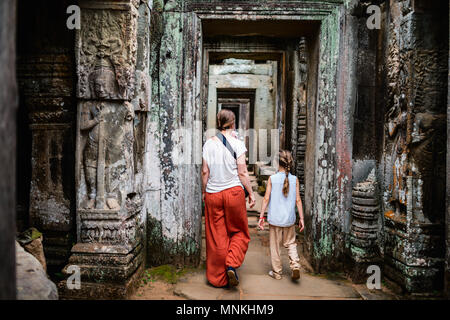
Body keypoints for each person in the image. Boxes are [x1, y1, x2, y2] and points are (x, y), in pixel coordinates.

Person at [202, 109, 256, 288]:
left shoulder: (208, 144)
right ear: (233, 124)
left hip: (213, 194)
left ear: (218, 123)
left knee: (217, 237)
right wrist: (251, 192)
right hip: (233, 192)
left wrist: (205, 191)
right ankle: (231, 264)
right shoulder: (237, 144)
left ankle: (218, 279)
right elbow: (242, 172)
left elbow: (205, 172)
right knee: (240, 231)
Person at [258, 150, 305, 280]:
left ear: (277, 163)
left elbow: (266, 198)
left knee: (275, 247)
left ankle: (277, 273)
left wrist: (261, 216)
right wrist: (301, 218)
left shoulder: (272, 179)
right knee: (291, 243)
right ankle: (295, 264)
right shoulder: (294, 179)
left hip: (275, 219)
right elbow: (298, 200)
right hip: (289, 219)